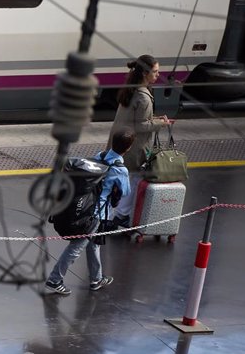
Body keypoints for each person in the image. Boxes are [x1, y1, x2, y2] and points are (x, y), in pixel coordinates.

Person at [45, 127, 135, 295]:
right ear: (128, 148)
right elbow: (126, 192)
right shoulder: (121, 170)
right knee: (77, 247)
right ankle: (55, 279)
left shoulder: (100, 155)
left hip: (86, 206)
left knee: (93, 244)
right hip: (94, 214)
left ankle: (96, 278)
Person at [108, 55, 172, 227]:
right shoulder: (143, 97)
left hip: (119, 142)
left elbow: (135, 119)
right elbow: (141, 126)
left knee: (116, 180)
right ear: (145, 73)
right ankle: (121, 216)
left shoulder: (131, 89)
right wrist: (161, 123)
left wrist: (154, 119)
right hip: (133, 147)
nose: (158, 75)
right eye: (156, 72)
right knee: (132, 180)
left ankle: (111, 214)